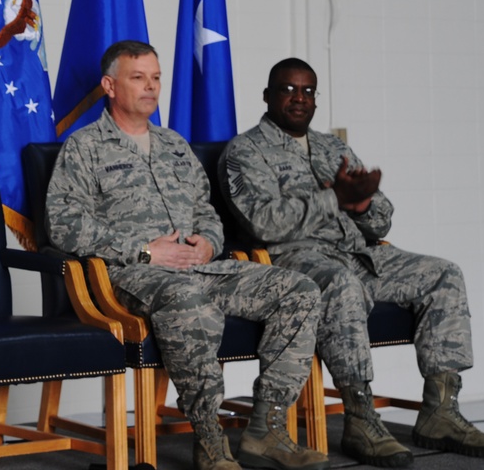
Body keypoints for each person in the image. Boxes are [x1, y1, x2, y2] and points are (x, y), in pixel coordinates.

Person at [46, 41, 329, 470]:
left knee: (299, 290)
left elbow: (205, 211)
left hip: (202, 267)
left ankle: (266, 428)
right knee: (187, 301)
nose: (151, 87)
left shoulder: (175, 145)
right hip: (133, 276)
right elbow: (63, 224)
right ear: (109, 85)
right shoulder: (84, 147)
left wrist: (210, 242)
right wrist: (143, 251)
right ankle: (210, 438)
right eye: (138, 77)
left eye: (156, 78)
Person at [220, 57, 484, 467]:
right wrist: (331, 199)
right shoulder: (245, 151)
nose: (298, 98)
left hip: (360, 255)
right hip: (296, 262)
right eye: (287, 89)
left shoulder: (332, 148)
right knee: (341, 284)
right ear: (267, 96)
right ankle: (360, 418)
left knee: (443, 273)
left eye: (307, 91)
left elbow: (383, 217)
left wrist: (362, 204)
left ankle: (441, 411)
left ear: (315, 100)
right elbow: (262, 223)